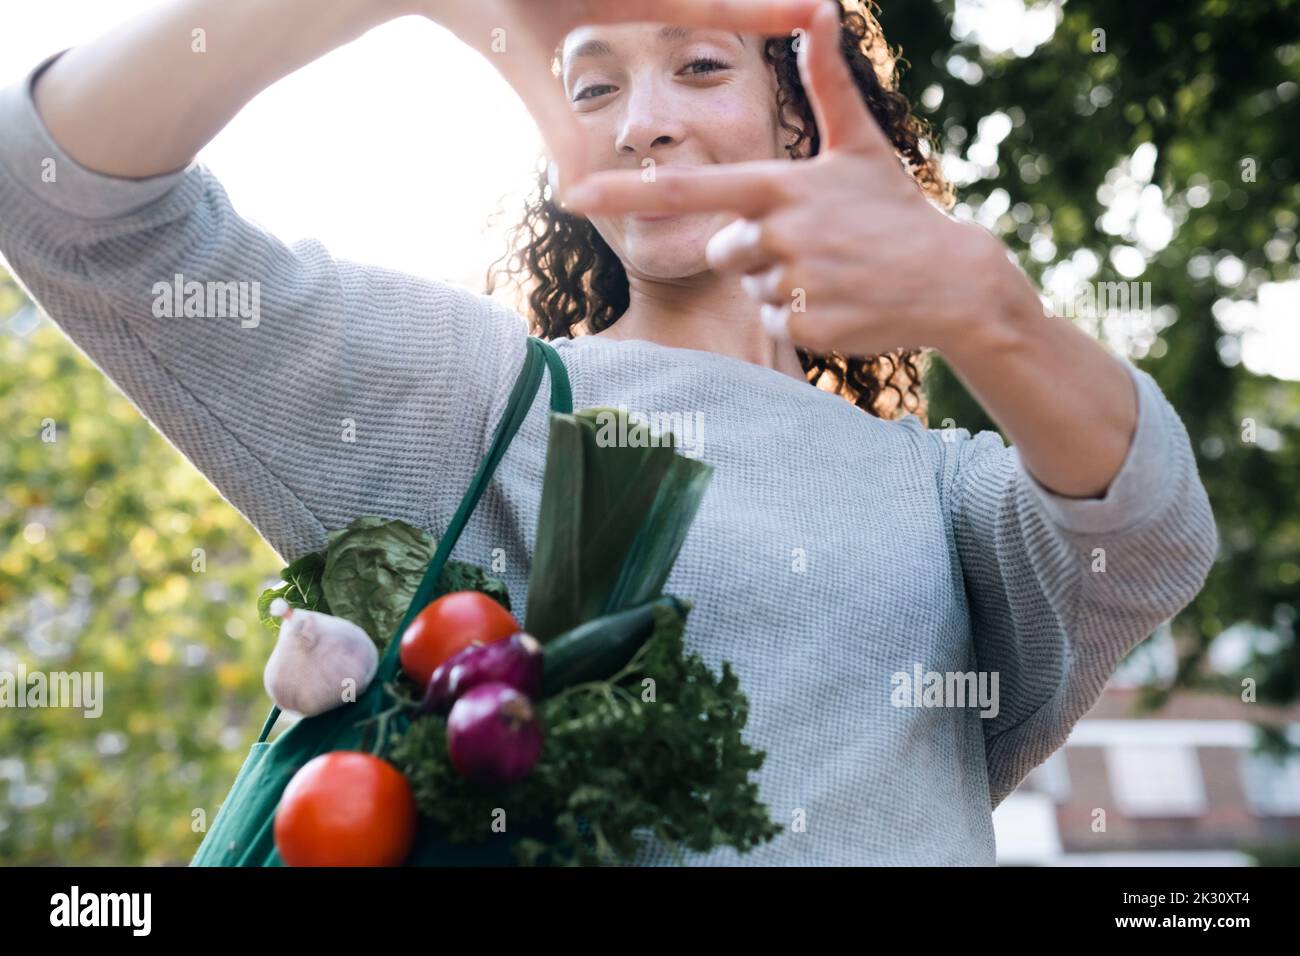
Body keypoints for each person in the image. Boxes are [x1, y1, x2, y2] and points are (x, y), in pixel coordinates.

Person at [0, 0, 1217, 865]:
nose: (643, 120)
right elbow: (55, 192)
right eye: (592, 85)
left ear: (799, 119)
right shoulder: (484, 402)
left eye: (697, 66)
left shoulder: (935, 489)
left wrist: (986, 309)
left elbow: (1150, 528)